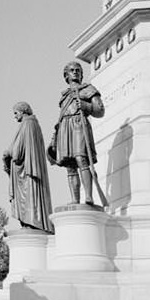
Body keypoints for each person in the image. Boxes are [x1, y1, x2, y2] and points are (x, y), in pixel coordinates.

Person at [49, 61, 105, 205]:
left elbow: (100, 110)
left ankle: (88, 196)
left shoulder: (88, 89)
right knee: (69, 164)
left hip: (79, 125)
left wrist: (86, 106)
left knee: (81, 159)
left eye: (78, 70)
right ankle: (75, 199)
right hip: (65, 127)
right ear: (66, 75)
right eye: (72, 70)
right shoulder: (64, 96)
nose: (75, 72)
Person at [3, 102, 53, 231]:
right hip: (28, 169)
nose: (14, 116)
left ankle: (32, 222)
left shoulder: (27, 124)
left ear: (23, 111)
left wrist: (7, 153)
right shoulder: (33, 124)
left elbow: (18, 152)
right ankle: (30, 222)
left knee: (29, 194)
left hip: (27, 171)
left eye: (15, 113)